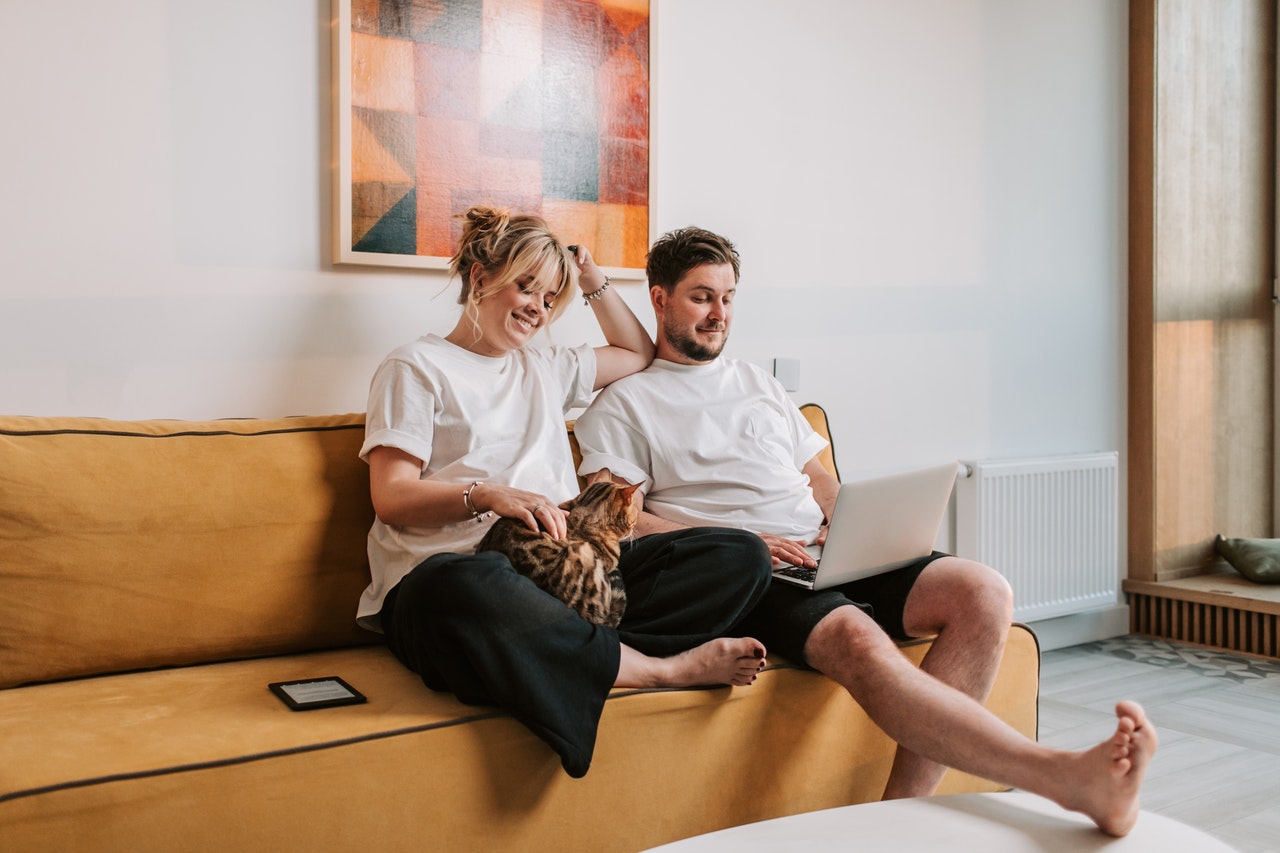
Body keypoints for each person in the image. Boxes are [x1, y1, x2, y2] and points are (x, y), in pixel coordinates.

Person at [573, 225, 1159, 836]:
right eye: (701, 297)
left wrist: (849, 522)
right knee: (856, 637)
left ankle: (899, 820)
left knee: (984, 593)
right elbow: (621, 521)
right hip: (751, 572)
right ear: (659, 298)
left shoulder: (758, 385)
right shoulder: (623, 403)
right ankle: (1064, 777)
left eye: (728, 297)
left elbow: (820, 480)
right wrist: (732, 540)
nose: (719, 313)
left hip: (830, 548)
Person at [355, 208, 771, 779]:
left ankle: (558, 650)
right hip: (458, 579)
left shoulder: (543, 367)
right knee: (459, 583)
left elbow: (637, 352)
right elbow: (392, 496)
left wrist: (593, 280)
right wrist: (487, 495)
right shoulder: (416, 365)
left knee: (738, 554)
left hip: (567, 578)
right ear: (479, 278)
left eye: (550, 298)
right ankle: (655, 670)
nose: (537, 308)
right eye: (525, 286)